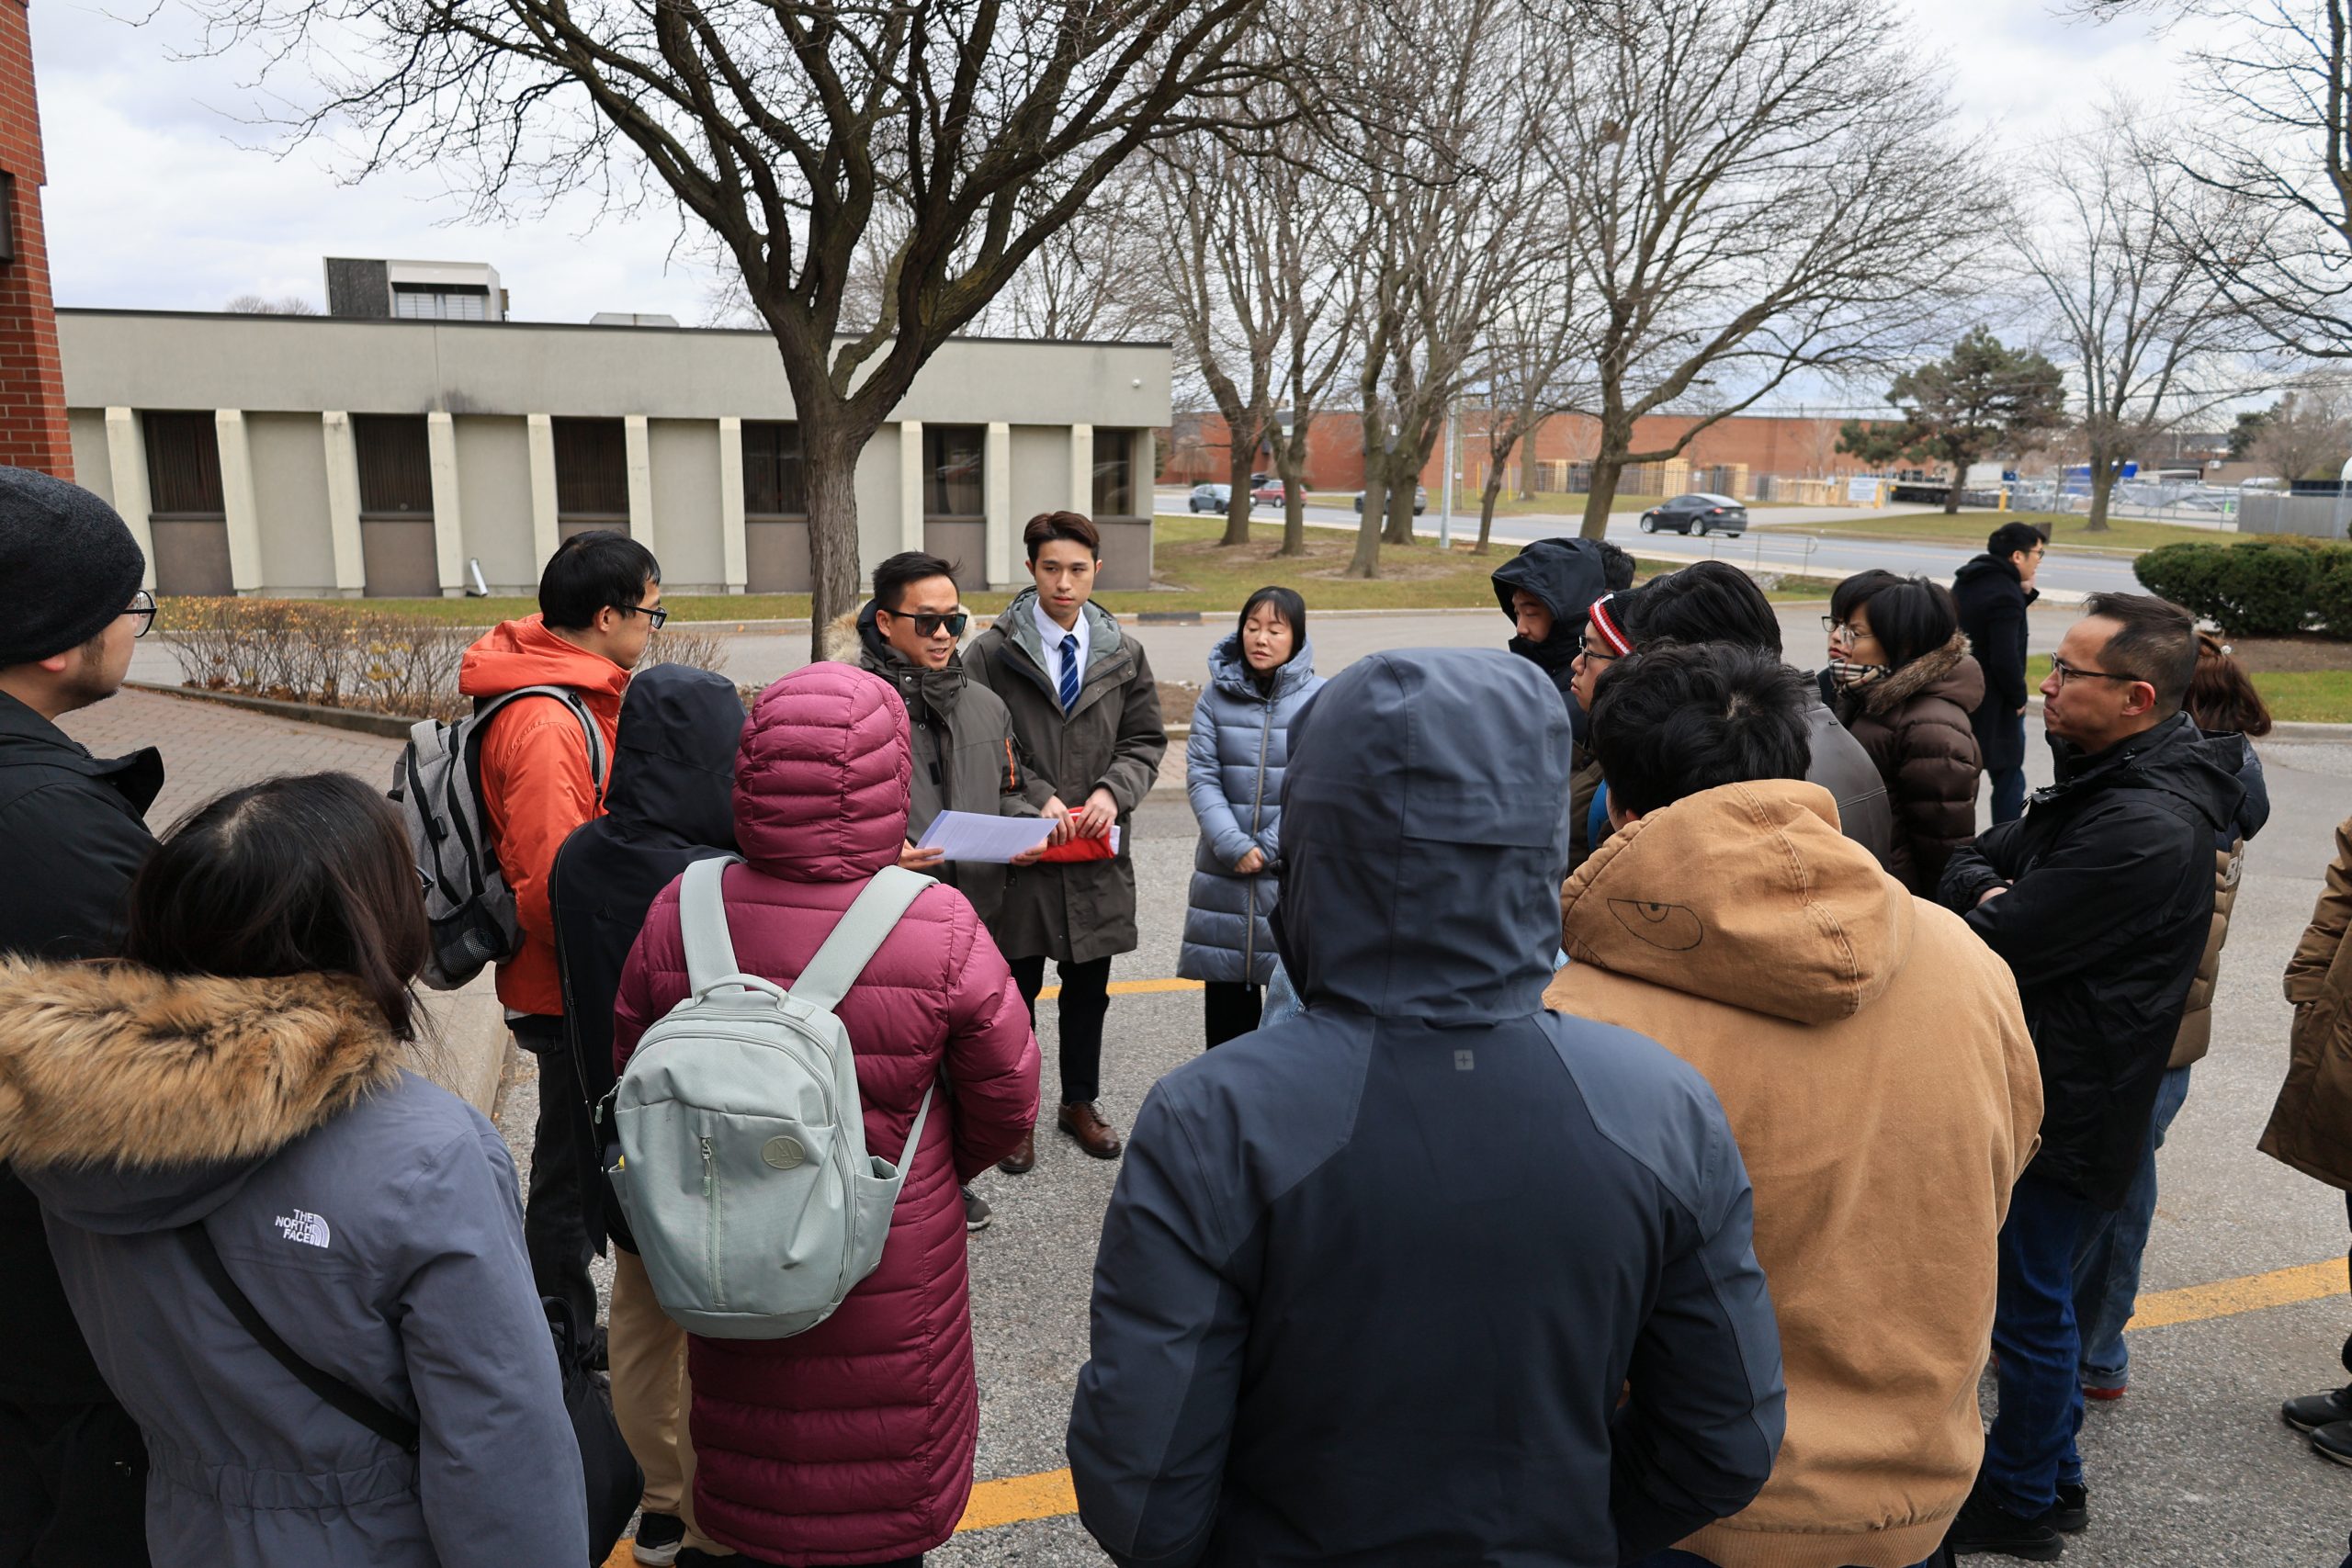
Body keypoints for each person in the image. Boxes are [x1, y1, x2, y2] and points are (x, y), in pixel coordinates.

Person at [1068, 648, 1787, 1568]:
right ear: (1538, 842)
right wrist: (1582, 1528)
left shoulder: (1215, 1117)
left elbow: (1144, 1488)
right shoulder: (1661, 1102)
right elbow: (1725, 1439)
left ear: (1312, 837)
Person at [0, 773, 587, 1566]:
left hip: (180, 1530)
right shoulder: (428, 1155)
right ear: (368, 928)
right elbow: (501, 1451)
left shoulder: (67, 1128)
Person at [1551, 641, 2041, 1568]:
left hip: (1687, 1509)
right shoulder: (1964, 959)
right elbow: (2004, 1162)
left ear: (1615, 803)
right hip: (1915, 1494)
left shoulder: (1578, 1017)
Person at [613, 663, 1039, 1568]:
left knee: (748, 1465)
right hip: (888, 1259)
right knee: (880, 1490)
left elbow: (631, 1080)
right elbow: (1009, 1102)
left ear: (752, 768)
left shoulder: (680, 910)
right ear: (892, 779)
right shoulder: (938, 922)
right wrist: (921, 1172)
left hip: (727, 1257)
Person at [1938, 592, 2245, 1557]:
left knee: (2029, 1311)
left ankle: (2023, 1501)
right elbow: (1971, 861)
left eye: (2070, 673)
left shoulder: (2143, 823)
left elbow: (1994, 926)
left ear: (2138, 696)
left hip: (2069, 1103)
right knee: (2037, 1304)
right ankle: (2055, 1475)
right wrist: (1992, 883)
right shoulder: (2103, 781)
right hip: (2053, 1081)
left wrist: (1993, 892)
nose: (2047, 684)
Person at [549, 663, 746, 1568]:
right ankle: (711, 1519)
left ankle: (659, 1503)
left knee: (637, 1321)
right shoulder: (720, 876)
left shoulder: (581, 858)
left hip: (617, 1135)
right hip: (714, 1148)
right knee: (717, 1342)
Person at [0, 467, 159, 1568]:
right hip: (50, 1300)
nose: (138, 628)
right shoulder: (54, 831)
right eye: (132, 606)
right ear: (60, 645)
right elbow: (159, 1074)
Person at [460, 527, 661, 1337]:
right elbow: (551, 889)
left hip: (573, 972)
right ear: (608, 616)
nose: (654, 628)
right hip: (567, 979)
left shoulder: (567, 690)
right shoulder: (548, 722)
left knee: (573, 1151)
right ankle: (556, 1328)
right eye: (652, 611)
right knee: (571, 1165)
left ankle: (558, 1315)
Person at [2069, 635, 2269, 1404]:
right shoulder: (2222, 784)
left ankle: (2091, 1350)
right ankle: (2092, 1345)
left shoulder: (2181, 803)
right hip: (2173, 1029)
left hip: (2147, 1030)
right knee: (2121, 1187)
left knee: (2110, 1195)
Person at [965, 511, 1166, 1166]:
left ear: (1096, 571)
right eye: (1050, 567)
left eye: (1077, 569)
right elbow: (981, 744)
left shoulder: (1122, 651)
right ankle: (1014, 1114)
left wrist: (1112, 792)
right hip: (1024, 855)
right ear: (1031, 569)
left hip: (1095, 855)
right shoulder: (992, 654)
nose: (1064, 582)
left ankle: (1078, 1100)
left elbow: (1143, 740)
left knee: (1088, 990)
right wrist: (1033, 800)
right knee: (1013, 994)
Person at [855, 549, 1047, 1229]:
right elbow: (813, 818)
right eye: (928, 621)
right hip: (881, 922)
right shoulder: (850, 706)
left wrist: (1033, 830)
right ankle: (879, 1189)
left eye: (955, 620)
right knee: (891, 1071)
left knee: (962, 1057)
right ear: (884, 621)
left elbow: (1006, 793)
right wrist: (878, 852)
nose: (944, 634)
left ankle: (945, 1181)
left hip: (975, 918)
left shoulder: (986, 706)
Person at [1596, 559, 1895, 870]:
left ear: (1706, 663)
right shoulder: (1809, 727)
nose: (1641, 671)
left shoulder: (1738, 757)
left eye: (1651, 656)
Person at [1178, 586, 1324, 1047]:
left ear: (1295, 638)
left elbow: (1317, 787)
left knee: (1289, 1011)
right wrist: (1236, 846)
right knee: (1225, 1019)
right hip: (1224, 871)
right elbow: (1202, 776)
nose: (1260, 638)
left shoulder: (1320, 698)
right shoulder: (1215, 697)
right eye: (1252, 626)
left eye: (1275, 629)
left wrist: (1268, 848)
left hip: (1288, 876)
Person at [1824, 572, 1985, 896]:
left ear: (1904, 643)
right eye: (1836, 624)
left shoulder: (1932, 729)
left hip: (1895, 900)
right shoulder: (1858, 693)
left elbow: (1943, 850)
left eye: (1855, 632)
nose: (1838, 640)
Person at [1492, 537, 1612, 866]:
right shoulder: (1534, 669)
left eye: (1531, 613)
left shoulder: (1584, 688)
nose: (1521, 628)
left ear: (1565, 614)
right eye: (1516, 612)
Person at [1952, 522, 2046, 826]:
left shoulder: (1969, 579)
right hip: (1996, 700)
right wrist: (2019, 698)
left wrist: (2024, 596)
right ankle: (2006, 843)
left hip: (1962, 693)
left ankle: (1959, 838)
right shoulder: (2005, 595)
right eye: (2038, 553)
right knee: (2008, 776)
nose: (2039, 560)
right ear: (2017, 556)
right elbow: (2005, 657)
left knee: (1965, 776)